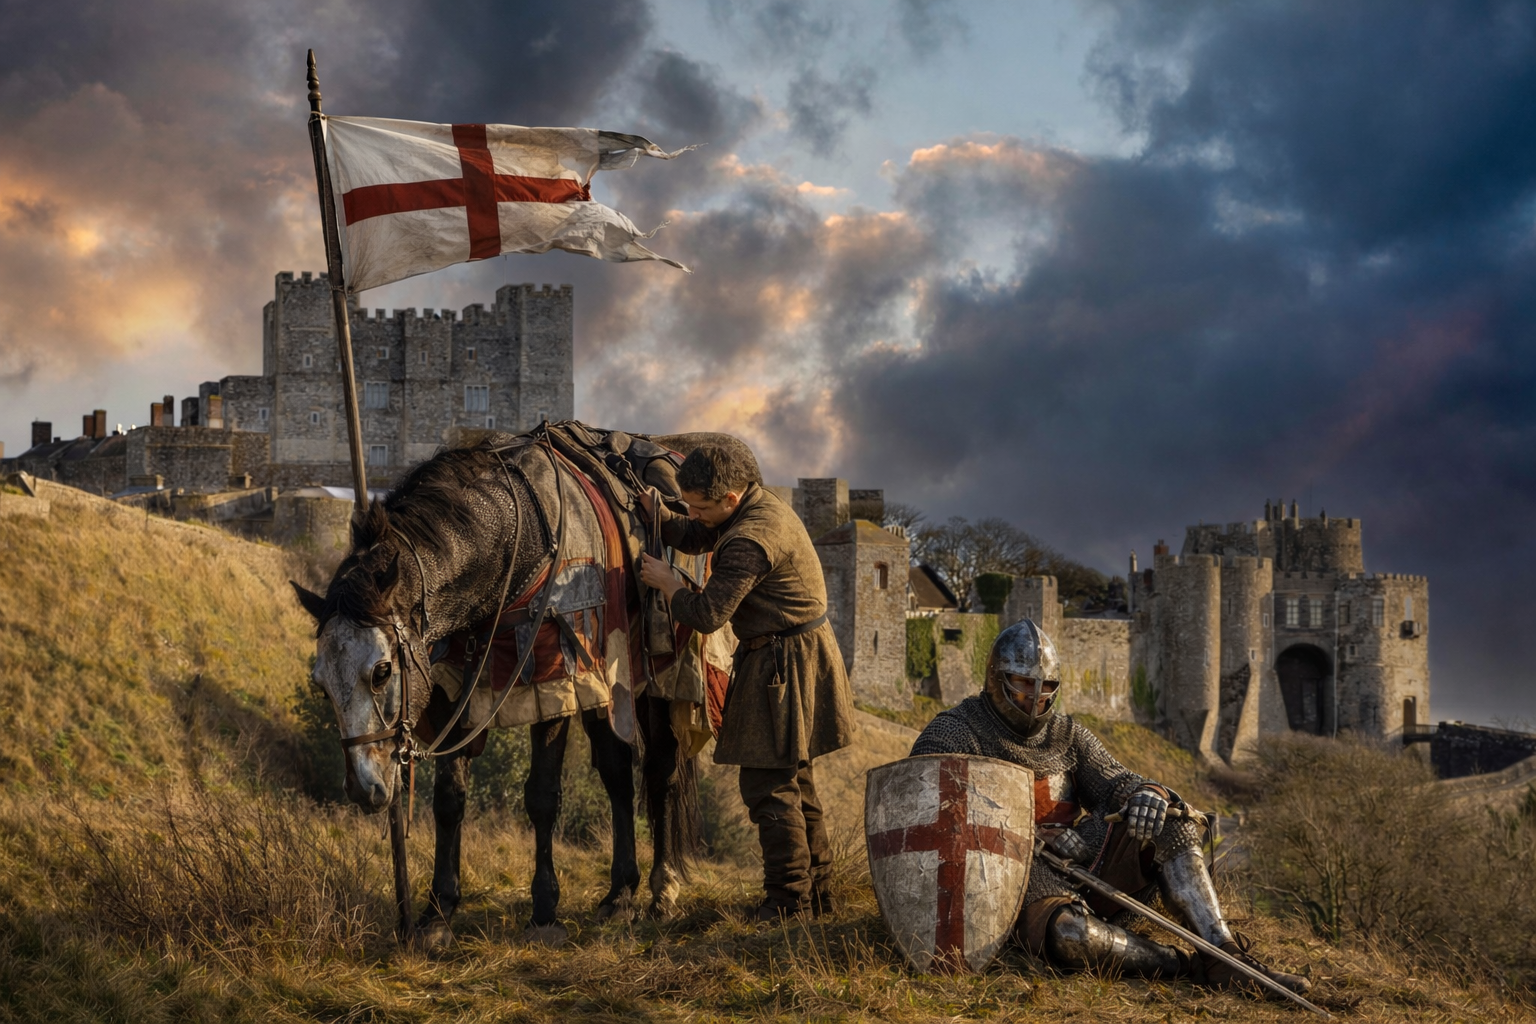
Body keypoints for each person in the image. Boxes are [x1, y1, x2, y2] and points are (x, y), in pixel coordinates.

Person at [909, 619, 1311, 997]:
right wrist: (1024, 835)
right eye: (1021, 684)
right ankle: (1182, 965)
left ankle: (1224, 956)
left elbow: (1119, 782)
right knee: (1072, 936)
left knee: (1169, 822)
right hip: (1012, 887)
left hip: (1081, 862)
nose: (1034, 698)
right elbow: (927, 813)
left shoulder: (1066, 735)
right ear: (996, 679)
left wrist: (1148, 792)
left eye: (1045, 686)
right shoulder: (956, 731)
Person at [637, 441, 855, 921]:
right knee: (797, 781)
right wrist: (663, 518)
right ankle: (819, 897)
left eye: (701, 506)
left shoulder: (750, 539)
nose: (694, 513)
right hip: (795, 653)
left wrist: (669, 583)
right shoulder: (752, 508)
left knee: (768, 787)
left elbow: (708, 613)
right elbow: (701, 534)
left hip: (782, 664)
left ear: (730, 499)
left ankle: (787, 902)